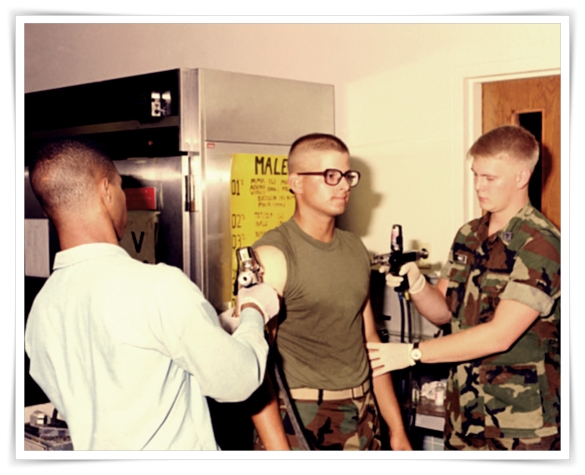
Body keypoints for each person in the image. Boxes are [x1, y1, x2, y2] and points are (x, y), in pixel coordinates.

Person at [24, 137, 280, 450]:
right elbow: (238, 381)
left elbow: (120, 370)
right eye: (120, 187)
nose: (124, 198)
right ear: (106, 190)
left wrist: (216, 326)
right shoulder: (158, 286)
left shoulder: (41, 310)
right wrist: (254, 311)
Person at [368, 125, 561, 450]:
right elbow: (442, 312)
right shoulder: (470, 234)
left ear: (521, 177)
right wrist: (417, 283)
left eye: (489, 178)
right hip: (464, 412)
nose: (478, 186)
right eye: (475, 175)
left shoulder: (540, 243)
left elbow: (500, 335)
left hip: (520, 425)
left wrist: (412, 353)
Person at [248, 133, 412, 451]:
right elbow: (254, 363)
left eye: (347, 175)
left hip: (363, 414)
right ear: (296, 182)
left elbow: (370, 343)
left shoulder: (355, 248)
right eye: (330, 175)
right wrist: (279, 454)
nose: (344, 185)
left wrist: (396, 429)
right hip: (301, 415)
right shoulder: (273, 255)